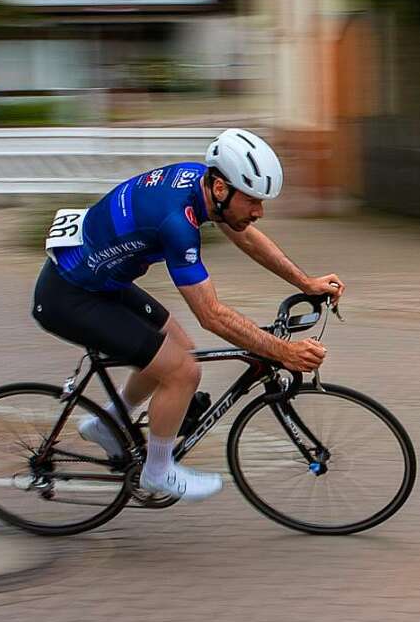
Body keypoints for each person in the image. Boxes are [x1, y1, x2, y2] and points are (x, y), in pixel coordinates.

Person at [31, 128, 345, 502]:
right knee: (182, 372)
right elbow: (211, 314)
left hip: (98, 281)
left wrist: (304, 281)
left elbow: (243, 233)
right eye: (254, 201)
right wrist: (283, 351)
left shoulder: (201, 180)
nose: (259, 212)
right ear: (220, 189)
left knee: (180, 347)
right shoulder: (177, 223)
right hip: (68, 298)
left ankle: (106, 423)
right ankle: (158, 472)